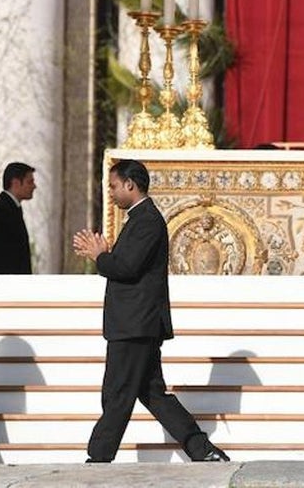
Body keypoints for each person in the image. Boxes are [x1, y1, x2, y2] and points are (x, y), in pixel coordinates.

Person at [72, 159, 229, 463]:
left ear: (130, 184)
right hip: (135, 324)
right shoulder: (139, 219)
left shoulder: (147, 220)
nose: (113, 193)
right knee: (153, 394)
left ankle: (99, 456)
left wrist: (101, 256)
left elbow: (127, 268)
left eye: (115, 186)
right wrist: (106, 254)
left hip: (135, 325)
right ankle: (201, 449)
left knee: (117, 392)